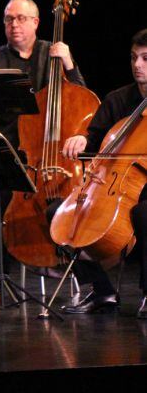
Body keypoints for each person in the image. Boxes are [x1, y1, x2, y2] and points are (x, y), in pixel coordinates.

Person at [0, 0, 86, 280]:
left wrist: (69, 63)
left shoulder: (52, 54)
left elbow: (81, 98)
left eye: (21, 18)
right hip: (11, 149)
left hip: (49, 154)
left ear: (37, 22)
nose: (14, 24)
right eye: (9, 19)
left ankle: (66, 261)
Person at [57, 29, 147, 316]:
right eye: (134, 58)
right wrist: (82, 139)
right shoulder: (117, 99)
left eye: (146, 59)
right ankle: (101, 290)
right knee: (59, 217)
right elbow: (93, 138)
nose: (137, 65)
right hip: (114, 183)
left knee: (145, 214)